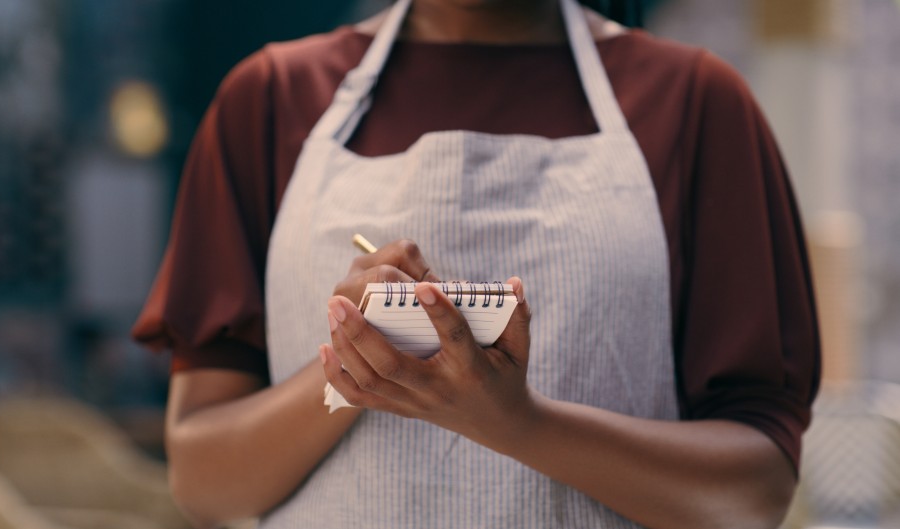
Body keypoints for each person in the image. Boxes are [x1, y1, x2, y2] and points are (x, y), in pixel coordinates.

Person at [132, 0, 820, 527]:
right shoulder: (269, 100)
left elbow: (754, 489)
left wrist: (517, 422)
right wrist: (356, 366)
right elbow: (203, 477)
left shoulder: (696, 103)